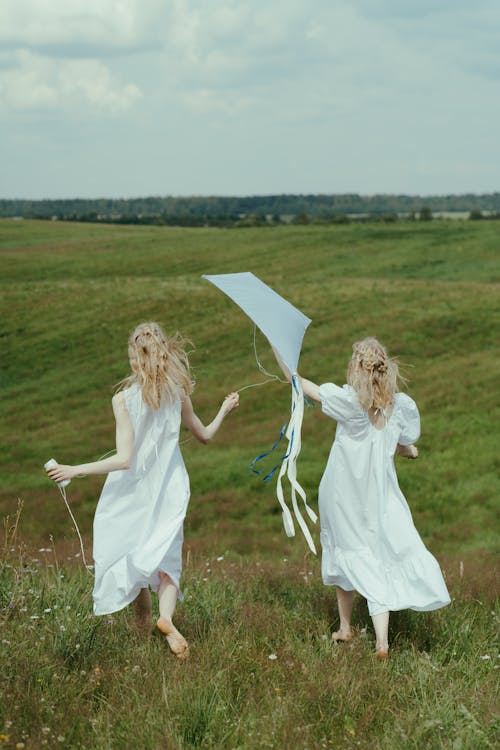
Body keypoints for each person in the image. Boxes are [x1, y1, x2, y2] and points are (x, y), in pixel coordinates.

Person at [46, 321, 239, 659]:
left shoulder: (122, 399)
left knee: (135, 559)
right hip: (169, 488)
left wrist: (75, 469)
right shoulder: (179, 392)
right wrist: (224, 409)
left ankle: (142, 632)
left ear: (134, 357)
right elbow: (205, 436)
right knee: (167, 562)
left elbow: (123, 460)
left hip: (132, 491)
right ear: (164, 350)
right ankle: (164, 619)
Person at [273, 337, 450, 658]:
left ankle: (345, 627)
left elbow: (297, 382)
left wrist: (277, 346)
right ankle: (380, 641)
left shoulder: (348, 403)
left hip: (343, 496)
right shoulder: (400, 406)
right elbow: (406, 442)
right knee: (377, 555)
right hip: (381, 496)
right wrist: (408, 450)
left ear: (357, 367)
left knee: (346, 552)